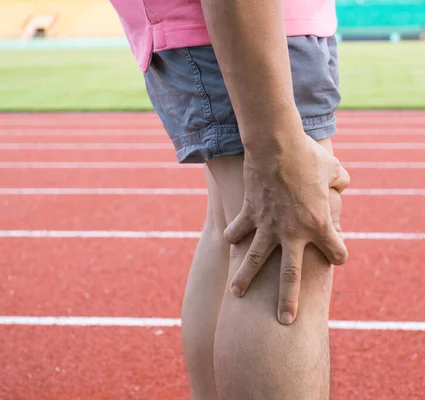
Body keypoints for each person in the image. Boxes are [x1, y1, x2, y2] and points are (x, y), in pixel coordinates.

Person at [109, 0, 351, 398]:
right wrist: (274, 142)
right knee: (285, 247)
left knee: (234, 229)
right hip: (243, 20)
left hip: (253, 21)